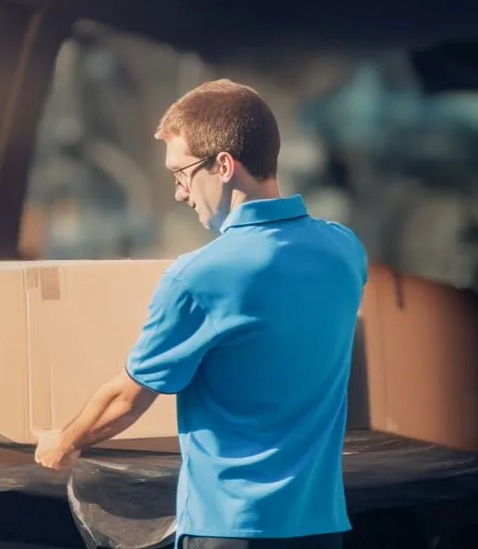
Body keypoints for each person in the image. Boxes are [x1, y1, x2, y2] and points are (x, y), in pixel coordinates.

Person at [33, 79, 368, 549]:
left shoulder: (198, 277)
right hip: (320, 527)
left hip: (229, 530)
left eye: (182, 173)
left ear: (225, 166)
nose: (179, 192)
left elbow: (128, 398)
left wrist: (63, 442)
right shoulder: (345, 251)